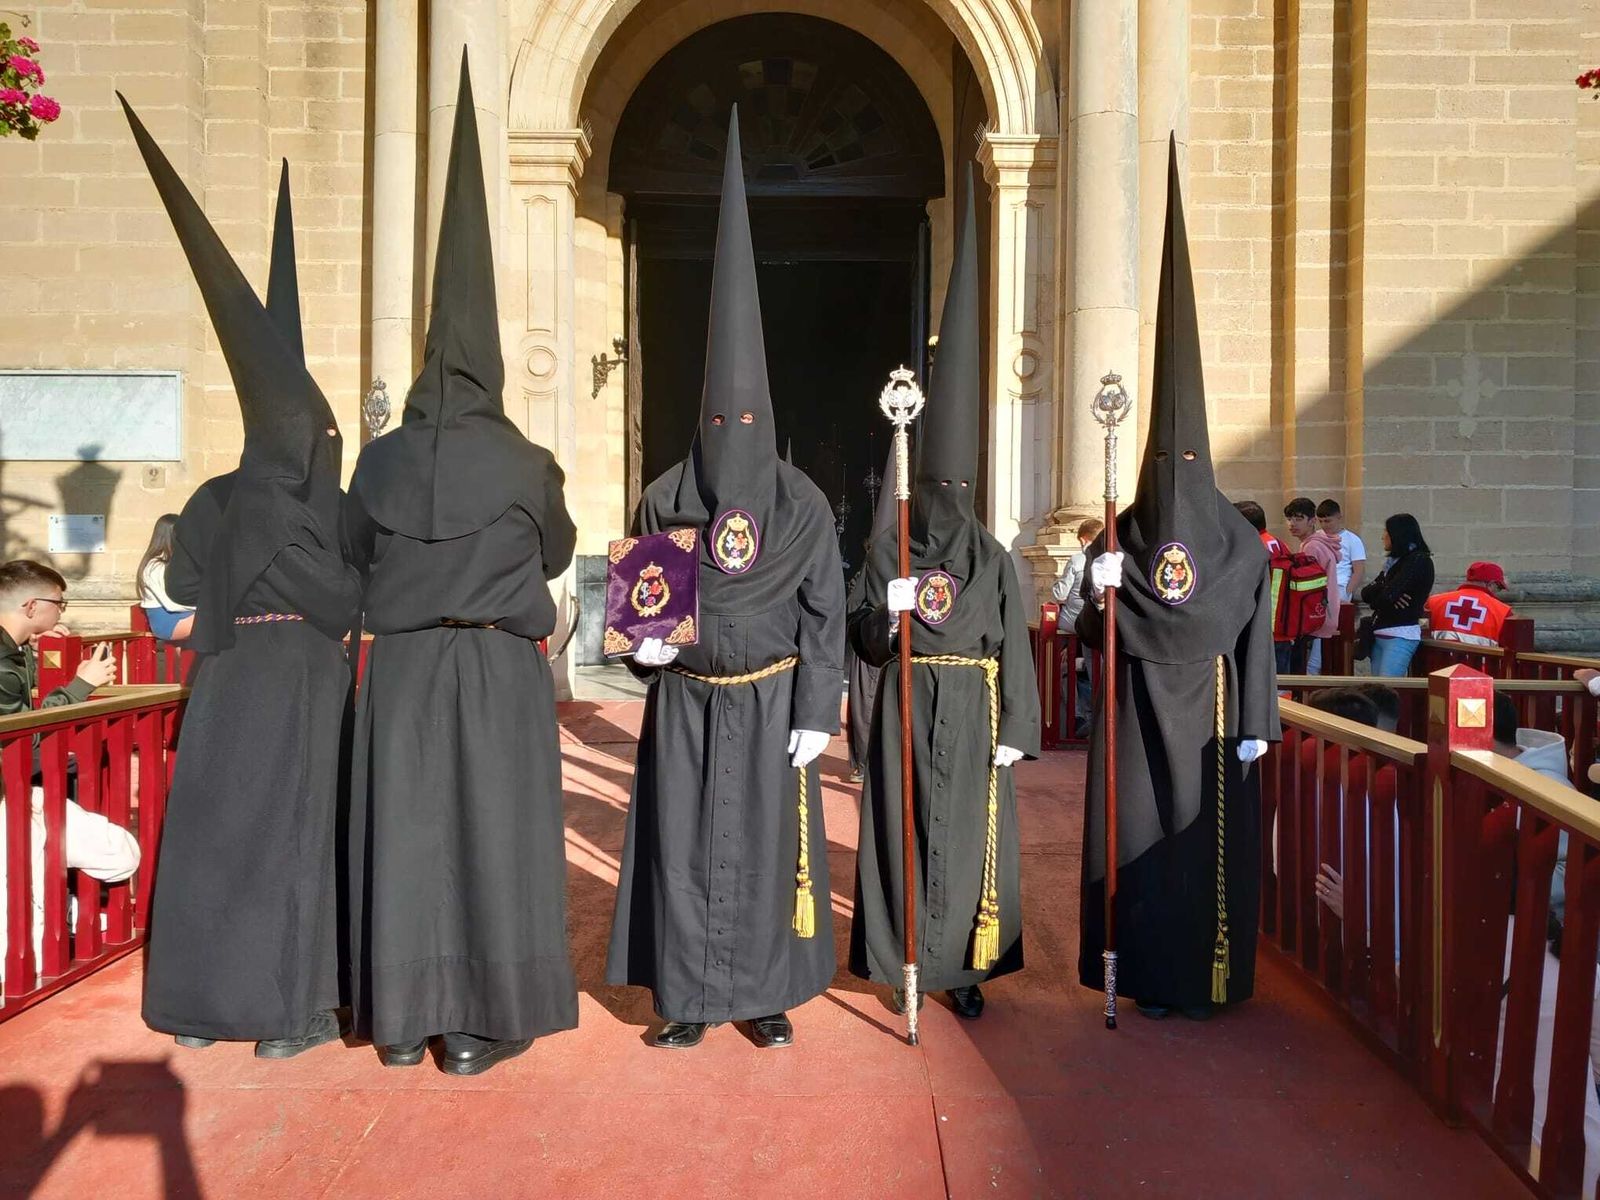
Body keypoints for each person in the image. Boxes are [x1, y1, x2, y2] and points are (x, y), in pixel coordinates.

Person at [344, 54, 578, 1077]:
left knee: (405, 835)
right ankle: (480, 1025)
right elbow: (559, 550)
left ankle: (401, 1021)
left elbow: (355, 550)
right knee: (494, 839)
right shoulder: (525, 461)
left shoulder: (381, 457)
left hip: (399, 668)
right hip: (492, 667)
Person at [123, 103, 361, 1059]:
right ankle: (290, 1014)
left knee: (219, 833)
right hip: (300, 677)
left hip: (225, 676)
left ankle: (200, 1006)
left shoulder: (216, 494)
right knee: (295, 835)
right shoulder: (326, 499)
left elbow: (177, 589)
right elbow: (350, 596)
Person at [605, 109, 845, 1052]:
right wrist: (647, 650)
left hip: (774, 701)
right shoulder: (666, 496)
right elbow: (639, 613)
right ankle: (689, 999)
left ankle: (764, 995)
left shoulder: (804, 504)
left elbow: (825, 610)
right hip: (689, 707)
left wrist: (818, 711)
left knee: (772, 856)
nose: (730, 440)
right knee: (684, 851)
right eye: (718, 424)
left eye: (745, 424)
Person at [1078, 142, 1280, 1020]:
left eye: (1187, 460)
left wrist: (1260, 723)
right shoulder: (1122, 533)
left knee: (1203, 854)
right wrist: (1097, 589)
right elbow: (1086, 631)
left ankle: (1209, 975)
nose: (1177, 474)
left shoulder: (1238, 543)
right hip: (1132, 717)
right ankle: (1149, 978)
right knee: (1139, 844)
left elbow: (1257, 634)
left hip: (1217, 719)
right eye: (1167, 461)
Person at [849, 170, 1040, 1021]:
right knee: (904, 830)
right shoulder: (886, 546)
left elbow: (1015, 644)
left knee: (967, 838)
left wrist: (1018, 731)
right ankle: (904, 958)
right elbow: (860, 635)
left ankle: (962, 967)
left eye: (961, 489)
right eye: (939, 488)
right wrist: (886, 613)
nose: (949, 502)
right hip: (906, 697)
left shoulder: (991, 556)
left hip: (973, 702)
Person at [0, 560, 115, 719]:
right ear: (32, 607)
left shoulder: (14, 649)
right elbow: (27, 730)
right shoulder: (3, 667)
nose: (61, 611)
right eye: (59, 603)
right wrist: (83, 684)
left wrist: (35, 654)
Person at [845, 446, 896, 784]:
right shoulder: (871, 570)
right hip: (873, 645)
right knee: (867, 707)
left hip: (892, 647)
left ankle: (872, 763)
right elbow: (854, 608)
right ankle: (867, 762)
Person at [1360, 513, 1434, 677]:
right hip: (1380, 631)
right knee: (1376, 687)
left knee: (1389, 685)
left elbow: (1385, 597)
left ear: (1397, 534)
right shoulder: (1393, 563)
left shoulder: (1418, 560)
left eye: (1386, 532)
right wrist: (1388, 590)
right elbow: (1366, 593)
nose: (1383, 537)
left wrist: (1386, 592)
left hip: (1400, 633)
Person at [1050, 516, 1104, 736]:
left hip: (1073, 625)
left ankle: (1079, 716)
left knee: (1062, 668)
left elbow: (1060, 593)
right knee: (1094, 669)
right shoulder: (1109, 559)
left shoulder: (1077, 559)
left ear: (1083, 539)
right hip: (1098, 627)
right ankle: (1097, 717)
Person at [1234, 500, 1294, 674]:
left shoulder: (1250, 547)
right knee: (1281, 681)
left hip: (1258, 626)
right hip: (1282, 625)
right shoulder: (1281, 545)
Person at [1284, 497, 1341, 675]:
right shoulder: (1316, 543)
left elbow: (1308, 588)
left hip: (1315, 615)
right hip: (1324, 612)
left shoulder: (1312, 547)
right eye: (1289, 519)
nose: (1292, 524)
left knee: (1309, 670)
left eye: (1299, 518)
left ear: (1312, 521)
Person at [1424, 561, 1513, 649]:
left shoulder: (1433, 602)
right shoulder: (1503, 612)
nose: (1497, 592)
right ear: (1491, 584)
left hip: (1438, 658)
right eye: (1499, 588)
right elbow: (1509, 649)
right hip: (1480, 658)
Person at [136, 515, 196, 643]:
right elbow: (171, 604)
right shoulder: (154, 567)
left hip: (184, 615)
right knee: (218, 620)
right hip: (170, 621)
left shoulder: (174, 563)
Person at [1316, 498, 1366, 597]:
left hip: (1340, 586)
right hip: (1318, 586)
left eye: (1327, 521)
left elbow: (1359, 571)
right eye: (1320, 521)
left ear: (1339, 517)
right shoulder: (1316, 537)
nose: (1324, 525)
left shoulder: (1353, 539)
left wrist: (1347, 592)